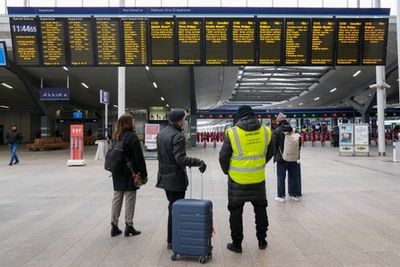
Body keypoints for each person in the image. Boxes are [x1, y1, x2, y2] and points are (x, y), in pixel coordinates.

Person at [219, 105, 274, 253]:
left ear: (239, 117)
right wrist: (259, 164)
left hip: (237, 180)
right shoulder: (266, 131)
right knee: (261, 209)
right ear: (253, 116)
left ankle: (237, 244)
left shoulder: (232, 133)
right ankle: (262, 241)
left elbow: (223, 157)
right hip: (258, 178)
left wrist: (227, 171)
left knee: (236, 212)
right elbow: (271, 152)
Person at [156, 108, 207, 250]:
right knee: (176, 209)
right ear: (178, 120)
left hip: (164, 177)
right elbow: (180, 159)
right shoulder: (178, 136)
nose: (184, 121)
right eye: (183, 118)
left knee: (172, 206)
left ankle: (171, 239)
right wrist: (198, 162)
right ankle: (172, 240)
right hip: (175, 179)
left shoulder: (161, 134)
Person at [110, 113, 148, 237]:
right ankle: (129, 226)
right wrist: (143, 175)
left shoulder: (116, 136)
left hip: (117, 173)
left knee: (117, 198)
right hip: (129, 173)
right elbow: (139, 158)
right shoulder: (132, 137)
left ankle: (114, 226)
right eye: (132, 120)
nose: (134, 122)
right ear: (128, 123)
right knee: (130, 198)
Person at [273, 113, 301, 202]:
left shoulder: (277, 131)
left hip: (281, 158)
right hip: (293, 157)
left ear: (278, 122)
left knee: (281, 177)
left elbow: (274, 145)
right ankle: (295, 195)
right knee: (294, 176)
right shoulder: (293, 130)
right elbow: (299, 143)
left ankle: (281, 196)